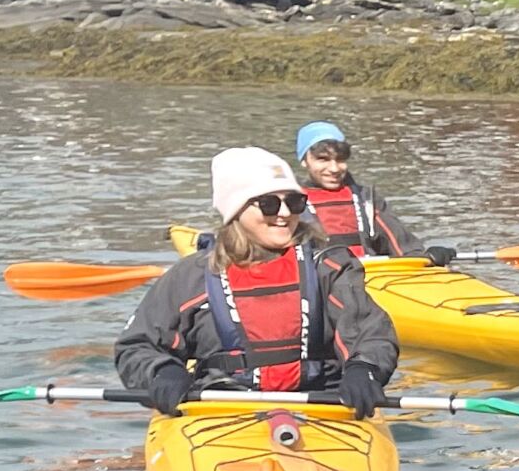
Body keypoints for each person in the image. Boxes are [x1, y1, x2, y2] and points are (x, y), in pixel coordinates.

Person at [115, 148, 400, 419]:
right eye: (269, 203)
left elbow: (370, 332)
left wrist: (365, 367)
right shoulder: (191, 276)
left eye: (294, 201)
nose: (285, 213)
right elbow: (137, 346)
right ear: (236, 211)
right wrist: (162, 371)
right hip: (219, 408)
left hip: (324, 404)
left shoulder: (329, 266)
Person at [292, 120, 442, 261]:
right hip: (319, 279)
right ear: (304, 161)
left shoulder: (366, 198)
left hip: (366, 274)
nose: (334, 168)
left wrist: (424, 258)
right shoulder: (289, 202)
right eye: (323, 159)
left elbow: (400, 243)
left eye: (340, 160)